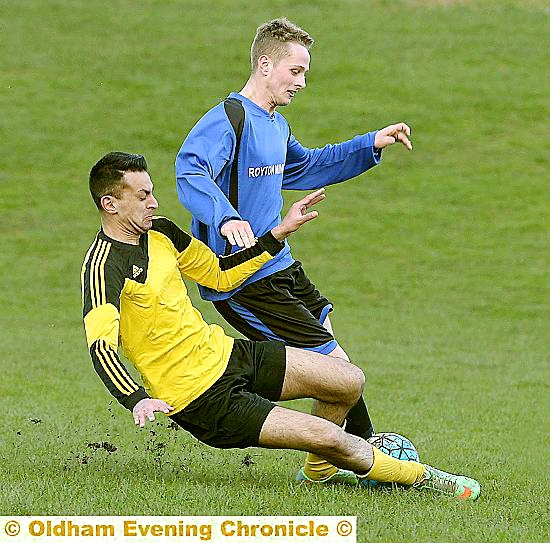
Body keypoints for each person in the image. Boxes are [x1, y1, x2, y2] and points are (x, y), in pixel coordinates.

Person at [81, 151, 480, 501]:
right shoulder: (103, 265)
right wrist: (137, 399)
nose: (154, 202)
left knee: (348, 380)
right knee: (328, 437)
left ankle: (318, 473)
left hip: (228, 354)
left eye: (152, 192)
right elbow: (101, 345)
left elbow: (218, 274)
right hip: (198, 396)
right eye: (142, 195)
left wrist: (275, 236)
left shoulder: (162, 231)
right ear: (110, 204)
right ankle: (425, 478)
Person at [175, 16, 413, 482]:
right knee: (334, 366)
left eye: (305, 72)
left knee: (334, 352)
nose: (302, 82)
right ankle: (371, 459)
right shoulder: (229, 119)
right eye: (295, 71)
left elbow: (307, 167)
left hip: (279, 262)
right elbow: (191, 171)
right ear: (265, 64)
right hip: (241, 278)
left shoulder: (275, 124)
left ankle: (326, 465)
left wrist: (370, 144)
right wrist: (226, 217)